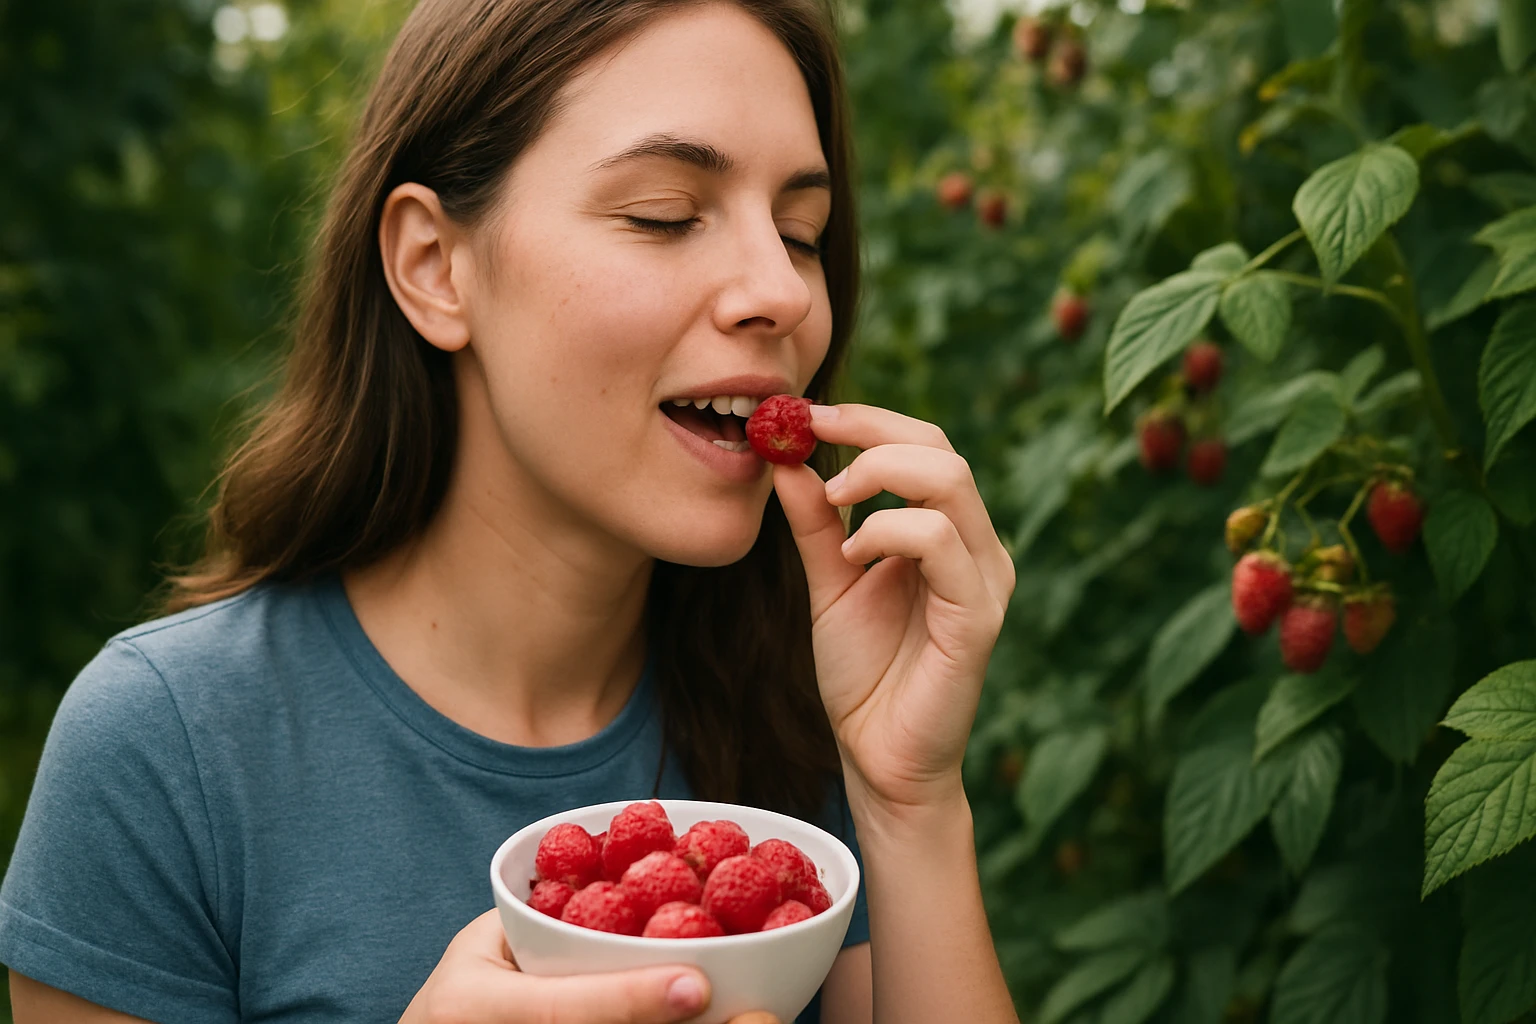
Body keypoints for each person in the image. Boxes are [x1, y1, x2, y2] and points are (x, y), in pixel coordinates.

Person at [1, 0, 1020, 1020]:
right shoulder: (164, 753)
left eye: (801, 233)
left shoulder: (806, 712)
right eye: (666, 214)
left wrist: (908, 801)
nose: (783, 291)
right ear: (434, 267)